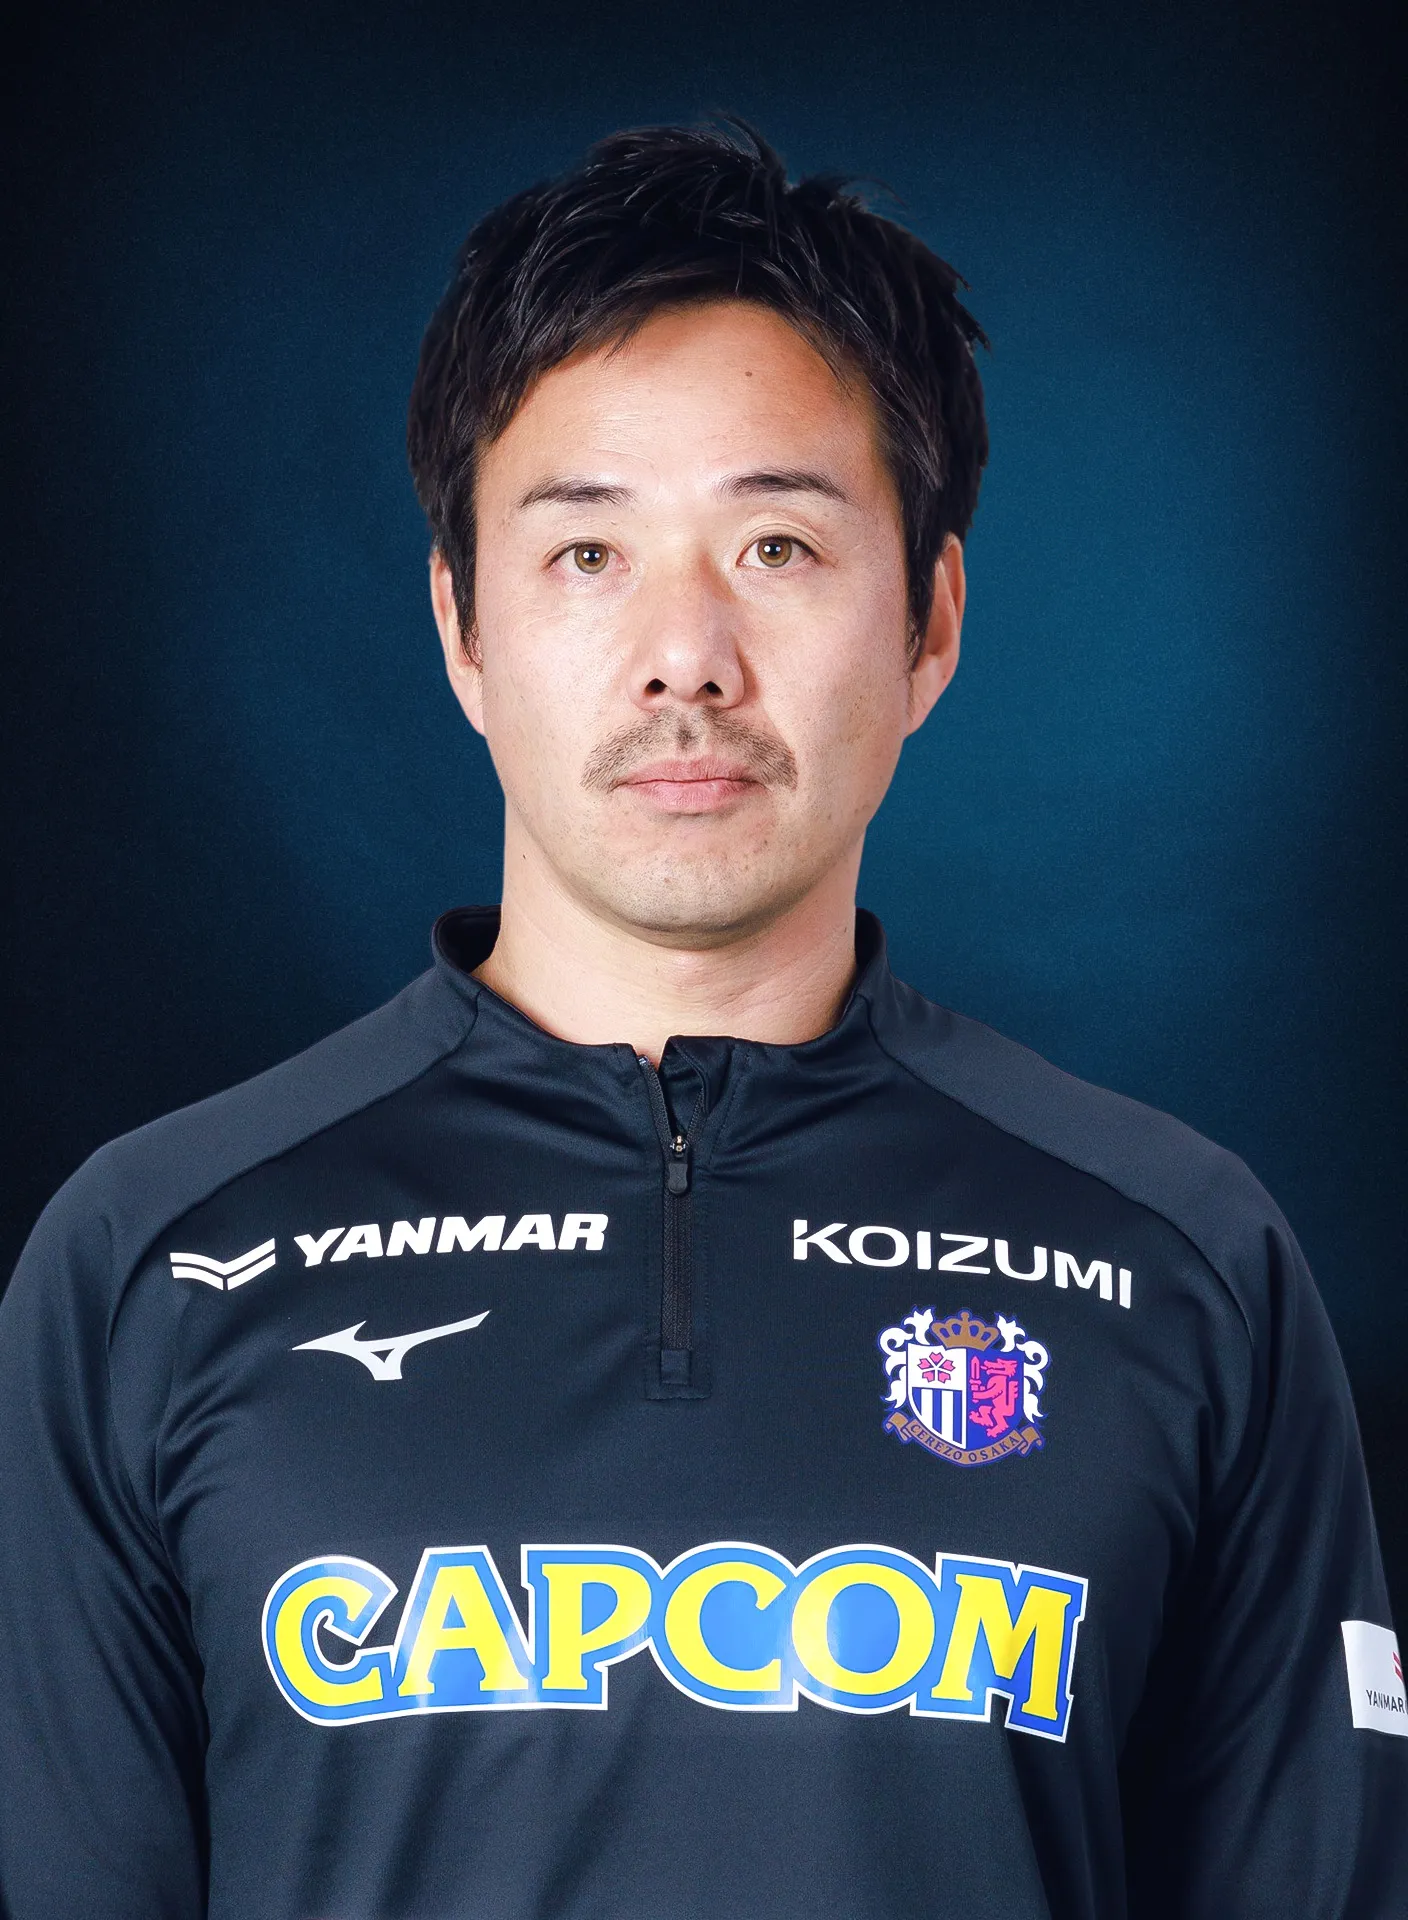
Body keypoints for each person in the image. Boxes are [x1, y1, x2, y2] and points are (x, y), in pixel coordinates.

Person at [0, 120, 1402, 1920]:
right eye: (588, 554)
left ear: (931, 624)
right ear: (462, 627)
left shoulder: (1187, 1260)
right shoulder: (150, 1262)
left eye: (779, 545)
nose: (687, 657)